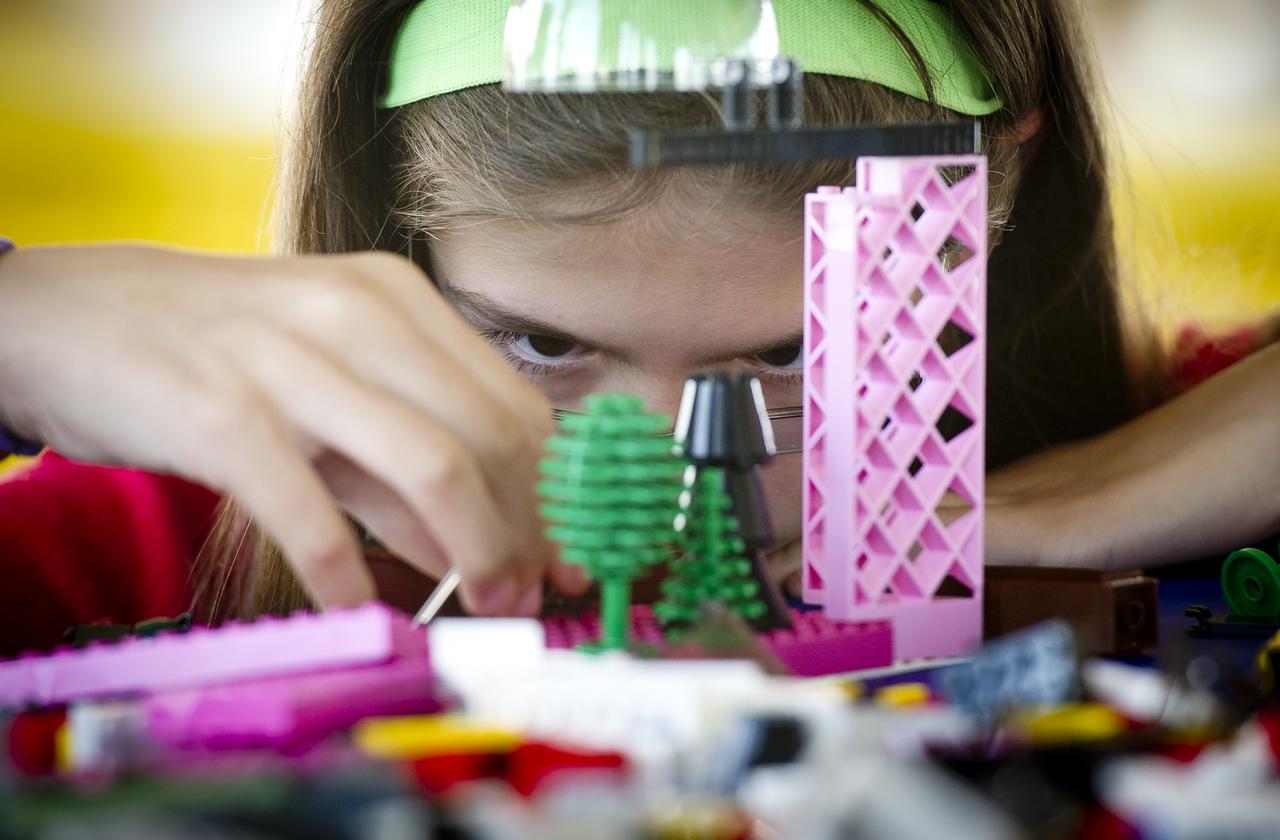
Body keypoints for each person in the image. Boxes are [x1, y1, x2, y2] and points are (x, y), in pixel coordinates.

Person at [1, 0, 1276, 657]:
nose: (680, 489)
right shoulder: (161, 544)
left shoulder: (1182, 456)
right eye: (539, 345)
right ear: (387, 243)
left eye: (787, 355)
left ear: (991, 213)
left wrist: (1102, 488)